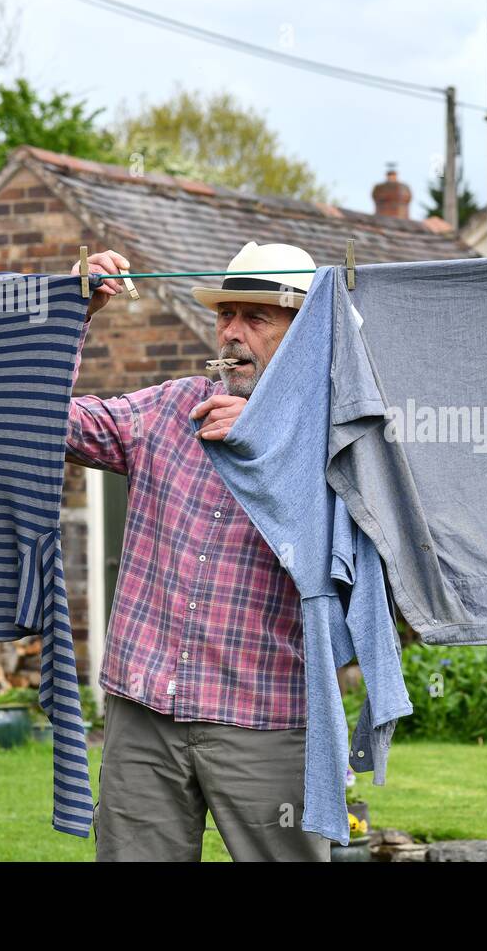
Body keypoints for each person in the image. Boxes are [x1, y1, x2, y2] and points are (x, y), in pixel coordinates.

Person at [65, 242, 328, 861]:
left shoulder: (334, 433)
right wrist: (72, 313)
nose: (232, 333)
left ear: (303, 334)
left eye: (256, 318)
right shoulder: (170, 409)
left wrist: (265, 444)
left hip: (266, 717)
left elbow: (356, 549)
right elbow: (44, 420)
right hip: (143, 712)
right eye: (225, 315)